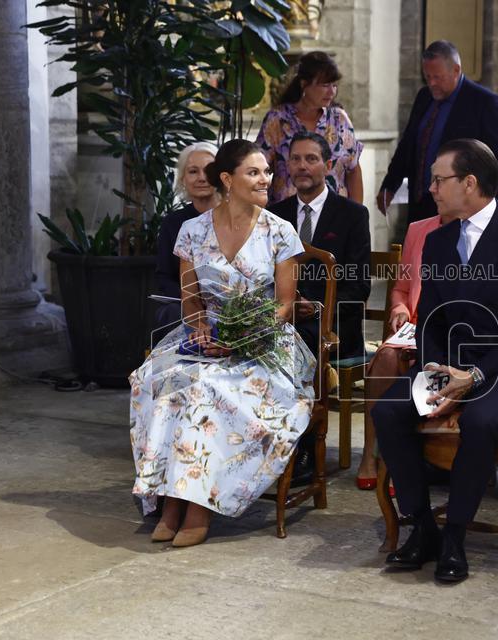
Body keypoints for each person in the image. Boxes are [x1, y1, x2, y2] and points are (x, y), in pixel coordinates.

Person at [371, 138, 498, 583]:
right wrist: (435, 370)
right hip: (448, 365)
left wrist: (471, 377)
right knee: (389, 411)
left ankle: (455, 536)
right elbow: (432, 319)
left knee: (478, 422)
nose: (431, 188)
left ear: (470, 183)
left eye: (439, 179)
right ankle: (422, 527)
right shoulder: (438, 241)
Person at [129, 139, 316, 548]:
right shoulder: (192, 230)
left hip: (265, 339)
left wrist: (240, 337)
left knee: (207, 391)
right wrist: (199, 330)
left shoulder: (279, 231)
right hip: (205, 335)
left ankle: (198, 506)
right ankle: (170, 499)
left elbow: (284, 306)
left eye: (267, 171)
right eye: (254, 172)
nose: (265, 178)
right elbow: (191, 298)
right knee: (157, 380)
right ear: (228, 180)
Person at [268, 131, 371, 483]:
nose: (302, 166)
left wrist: (315, 307)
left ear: (328, 166)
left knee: (301, 341)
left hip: (333, 324)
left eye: (311, 159)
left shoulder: (353, 216)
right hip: (283, 316)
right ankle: (264, 440)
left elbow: (358, 286)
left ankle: (305, 449)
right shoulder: (274, 214)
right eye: (295, 159)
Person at [376, 40, 498, 223]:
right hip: (421, 202)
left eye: (438, 77)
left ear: (456, 70)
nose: (432, 83)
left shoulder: (484, 103)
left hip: (461, 206)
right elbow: (408, 145)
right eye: (428, 77)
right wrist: (389, 185)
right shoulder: (424, 97)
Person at [357, 212, 447, 489]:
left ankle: (402, 458)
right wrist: (400, 308)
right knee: (385, 356)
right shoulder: (418, 228)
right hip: (414, 325)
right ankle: (372, 453)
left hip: (448, 329)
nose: (433, 189)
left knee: (416, 362)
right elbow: (401, 288)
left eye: (441, 182)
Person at [256, 51, 363, 205]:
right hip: (287, 214)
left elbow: (353, 170)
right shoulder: (278, 119)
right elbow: (260, 167)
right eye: (325, 85)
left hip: (335, 214)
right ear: (304, 84)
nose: (332, 92)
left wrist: (357, 215)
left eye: (334, 85)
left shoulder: (339, 119)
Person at [153, 142, 219, 339]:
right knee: (171, 314)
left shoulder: (236, 217)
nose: (201, 178)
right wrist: (194, 299)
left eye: (208, 170)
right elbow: (164, 277)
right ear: (182, 179)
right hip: (184, 302)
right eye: (193, 171)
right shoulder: (172, 223)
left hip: (230, 303)